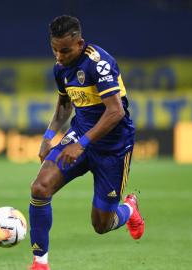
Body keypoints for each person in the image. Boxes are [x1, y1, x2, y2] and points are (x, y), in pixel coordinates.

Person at [29, 15, 145, 270]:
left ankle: (129, 208)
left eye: (65, 50)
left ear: (79, 43)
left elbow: (116, 112)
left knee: (101, 225)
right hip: (78, 135)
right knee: (39, 188)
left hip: (113, 147)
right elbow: (64, 104)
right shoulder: (60, 67)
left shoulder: (99, 63)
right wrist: (48, 138)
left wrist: (81, 144)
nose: (59, 56)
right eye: (54, 49)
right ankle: (40, 263)